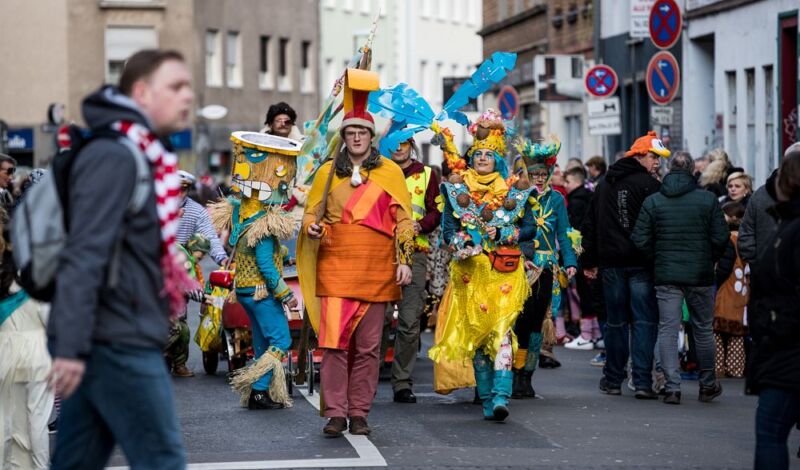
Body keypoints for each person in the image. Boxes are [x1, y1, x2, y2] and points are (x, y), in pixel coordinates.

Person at [48, 49, 193, 470]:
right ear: (143, 93)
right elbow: (84, 251)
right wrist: (71, 347)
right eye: (176, 87)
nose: (187, 96)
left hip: (107, 334)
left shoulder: (144, 153)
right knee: (163, 460)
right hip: (117, 337)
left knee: (76, 462)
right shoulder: (116, 155)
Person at [297, 69, 414, 437]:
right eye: (350, 132)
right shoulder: (326, 174)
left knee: (367, 349)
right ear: (343, 137)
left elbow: (405, 221)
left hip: (377, 269)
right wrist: (311, 227)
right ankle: (335, 412)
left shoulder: (391, 173)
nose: (357, 136)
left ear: (371, 136)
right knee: (333, 345)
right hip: (335, 268)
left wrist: (405, 260)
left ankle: (360, 412)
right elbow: (310, 214)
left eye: (362, 131)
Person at [428, 109, 537, 420]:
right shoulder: (456, 189)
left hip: (503, 272)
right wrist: (459, 243)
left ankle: (502, 396)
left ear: (497, 159)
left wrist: (504, 232)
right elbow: (448, 228)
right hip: (470, 274)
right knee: (478, 338)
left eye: (488, 154)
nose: (483, 159)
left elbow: (529, 227)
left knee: (502, 334)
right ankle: (487, 400)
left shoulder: (514, 191)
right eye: (478, 154)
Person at [211, 130, 301, 410]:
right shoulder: (262, 220)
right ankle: (255, 384)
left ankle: (260, 395)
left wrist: (282, 254)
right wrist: (285, 294)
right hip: (262, 292)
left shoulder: (241, 212)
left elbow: (261, 252)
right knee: (282, 340)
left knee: (263, 343)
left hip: (245, 291)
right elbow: (264, 263)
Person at [631, 151, 729, 404]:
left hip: (666, 274)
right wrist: (709, 258)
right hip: (700, 274)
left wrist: (657, 257)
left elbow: (640, 238)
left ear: (669, 169)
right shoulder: (707, 200)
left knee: (668, 328)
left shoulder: (654, 201)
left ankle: (672, 386)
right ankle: (707, 383)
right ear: (692, 171)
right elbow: (721, 237)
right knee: (703, 329)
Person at [582, 131, 665, 397]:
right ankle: (641, 381)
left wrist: (590, 259)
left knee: (616, 322)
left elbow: (590, 223)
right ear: (639, 154)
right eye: (653, 157)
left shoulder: (605, 183)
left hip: (612, 263)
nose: (657, 163)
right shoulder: (650, 186)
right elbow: (656, 227)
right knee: (643, 321)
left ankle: (613, 379)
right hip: (640, 263)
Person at [509, 136, 576, 398]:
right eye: (533, 173)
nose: (538, 178)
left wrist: (569, 262)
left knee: (538, 324)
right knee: (518, 322)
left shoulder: (557, 200)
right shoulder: (515, 198)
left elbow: (565, 232)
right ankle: (514, 372)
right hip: (519, 266)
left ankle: (527, 375)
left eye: (543, 174)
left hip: (547, 266)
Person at [747, 146, 800, 469]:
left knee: (770, 431)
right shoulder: (786, 222)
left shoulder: (793, 230)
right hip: (783, 347)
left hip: (788, 350)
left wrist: (773, 327)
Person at [389, 137, 441, 404]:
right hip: (381, 253)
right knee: (378, 318)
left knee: (409, 321)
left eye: (404, 143)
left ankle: (402, 382)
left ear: (411, 146)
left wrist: (421, 225)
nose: (398, 147)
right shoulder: (378, 171)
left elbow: (436, 211)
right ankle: (366, 376)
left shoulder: (427, 174)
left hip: (415, 253)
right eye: (394, 143)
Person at [0, 229, 53, 470]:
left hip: (5, 349)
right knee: (37, 419)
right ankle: (40, 467)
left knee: (5, 419)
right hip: (36, 349)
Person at [563, 166, 602, 350]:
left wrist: (575, 252)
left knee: (585, 294)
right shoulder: (588, 197)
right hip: (589, 252)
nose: (565, 185)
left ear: (577, 182)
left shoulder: (577, 202)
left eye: (568, 181)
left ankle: (587, 335)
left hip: (581, 252)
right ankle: (596, 333)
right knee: (590, 295)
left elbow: (576, 230)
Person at [164, 233, 210, 378]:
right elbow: (186, 284)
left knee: (184, 332)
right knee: (176, 329)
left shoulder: (188, 259)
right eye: (201, 253)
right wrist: (204, 297)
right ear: (193, 247)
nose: (202, 257)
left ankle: (179, 365)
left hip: (177, 310)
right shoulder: (182, 257)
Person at [713, 201, 748, 379]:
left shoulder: (728, 239)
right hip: (741, 293)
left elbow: (724, 268)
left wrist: (715, 280)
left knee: (717, 332)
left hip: (726, 289)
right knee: (737, 334)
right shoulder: (745, 239)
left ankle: (717, 366)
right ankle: (736, 368)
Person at [176, 170, 228, 266]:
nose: (178, 194)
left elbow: (209, 236)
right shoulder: (153, 205)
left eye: (182, 190)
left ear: (187, 190)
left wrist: (222, 258)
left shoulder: (197, 211)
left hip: (183, 265)